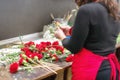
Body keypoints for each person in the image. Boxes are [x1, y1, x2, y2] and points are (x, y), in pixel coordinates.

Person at [55, 0, 120, 80]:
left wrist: (62, 37)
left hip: (91, 71)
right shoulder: (114, 8)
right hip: (108, 70)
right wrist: (72, 30)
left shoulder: (86, 10)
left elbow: (74, 47)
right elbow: (99, 34)